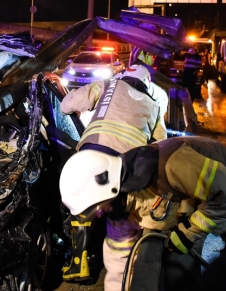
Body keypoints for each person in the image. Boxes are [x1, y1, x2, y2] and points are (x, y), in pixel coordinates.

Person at [60, 136, 226, 291]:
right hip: (203, 201)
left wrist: (188, 233)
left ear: (109, 190)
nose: (98, 214)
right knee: (215, 269)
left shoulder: (172, 165)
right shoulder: (119, 207)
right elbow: (118, 261)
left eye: (96, 208)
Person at [59, 64, 161, 282]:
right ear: (147, 84)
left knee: (81, 201)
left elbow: (66, 106)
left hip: (95, 152)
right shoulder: (153, 105)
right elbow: (160, 142)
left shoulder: (108, 85)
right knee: (119, 213)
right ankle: (123, 269)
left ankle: (79, 264)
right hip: (128, 167)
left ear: (123, 76)